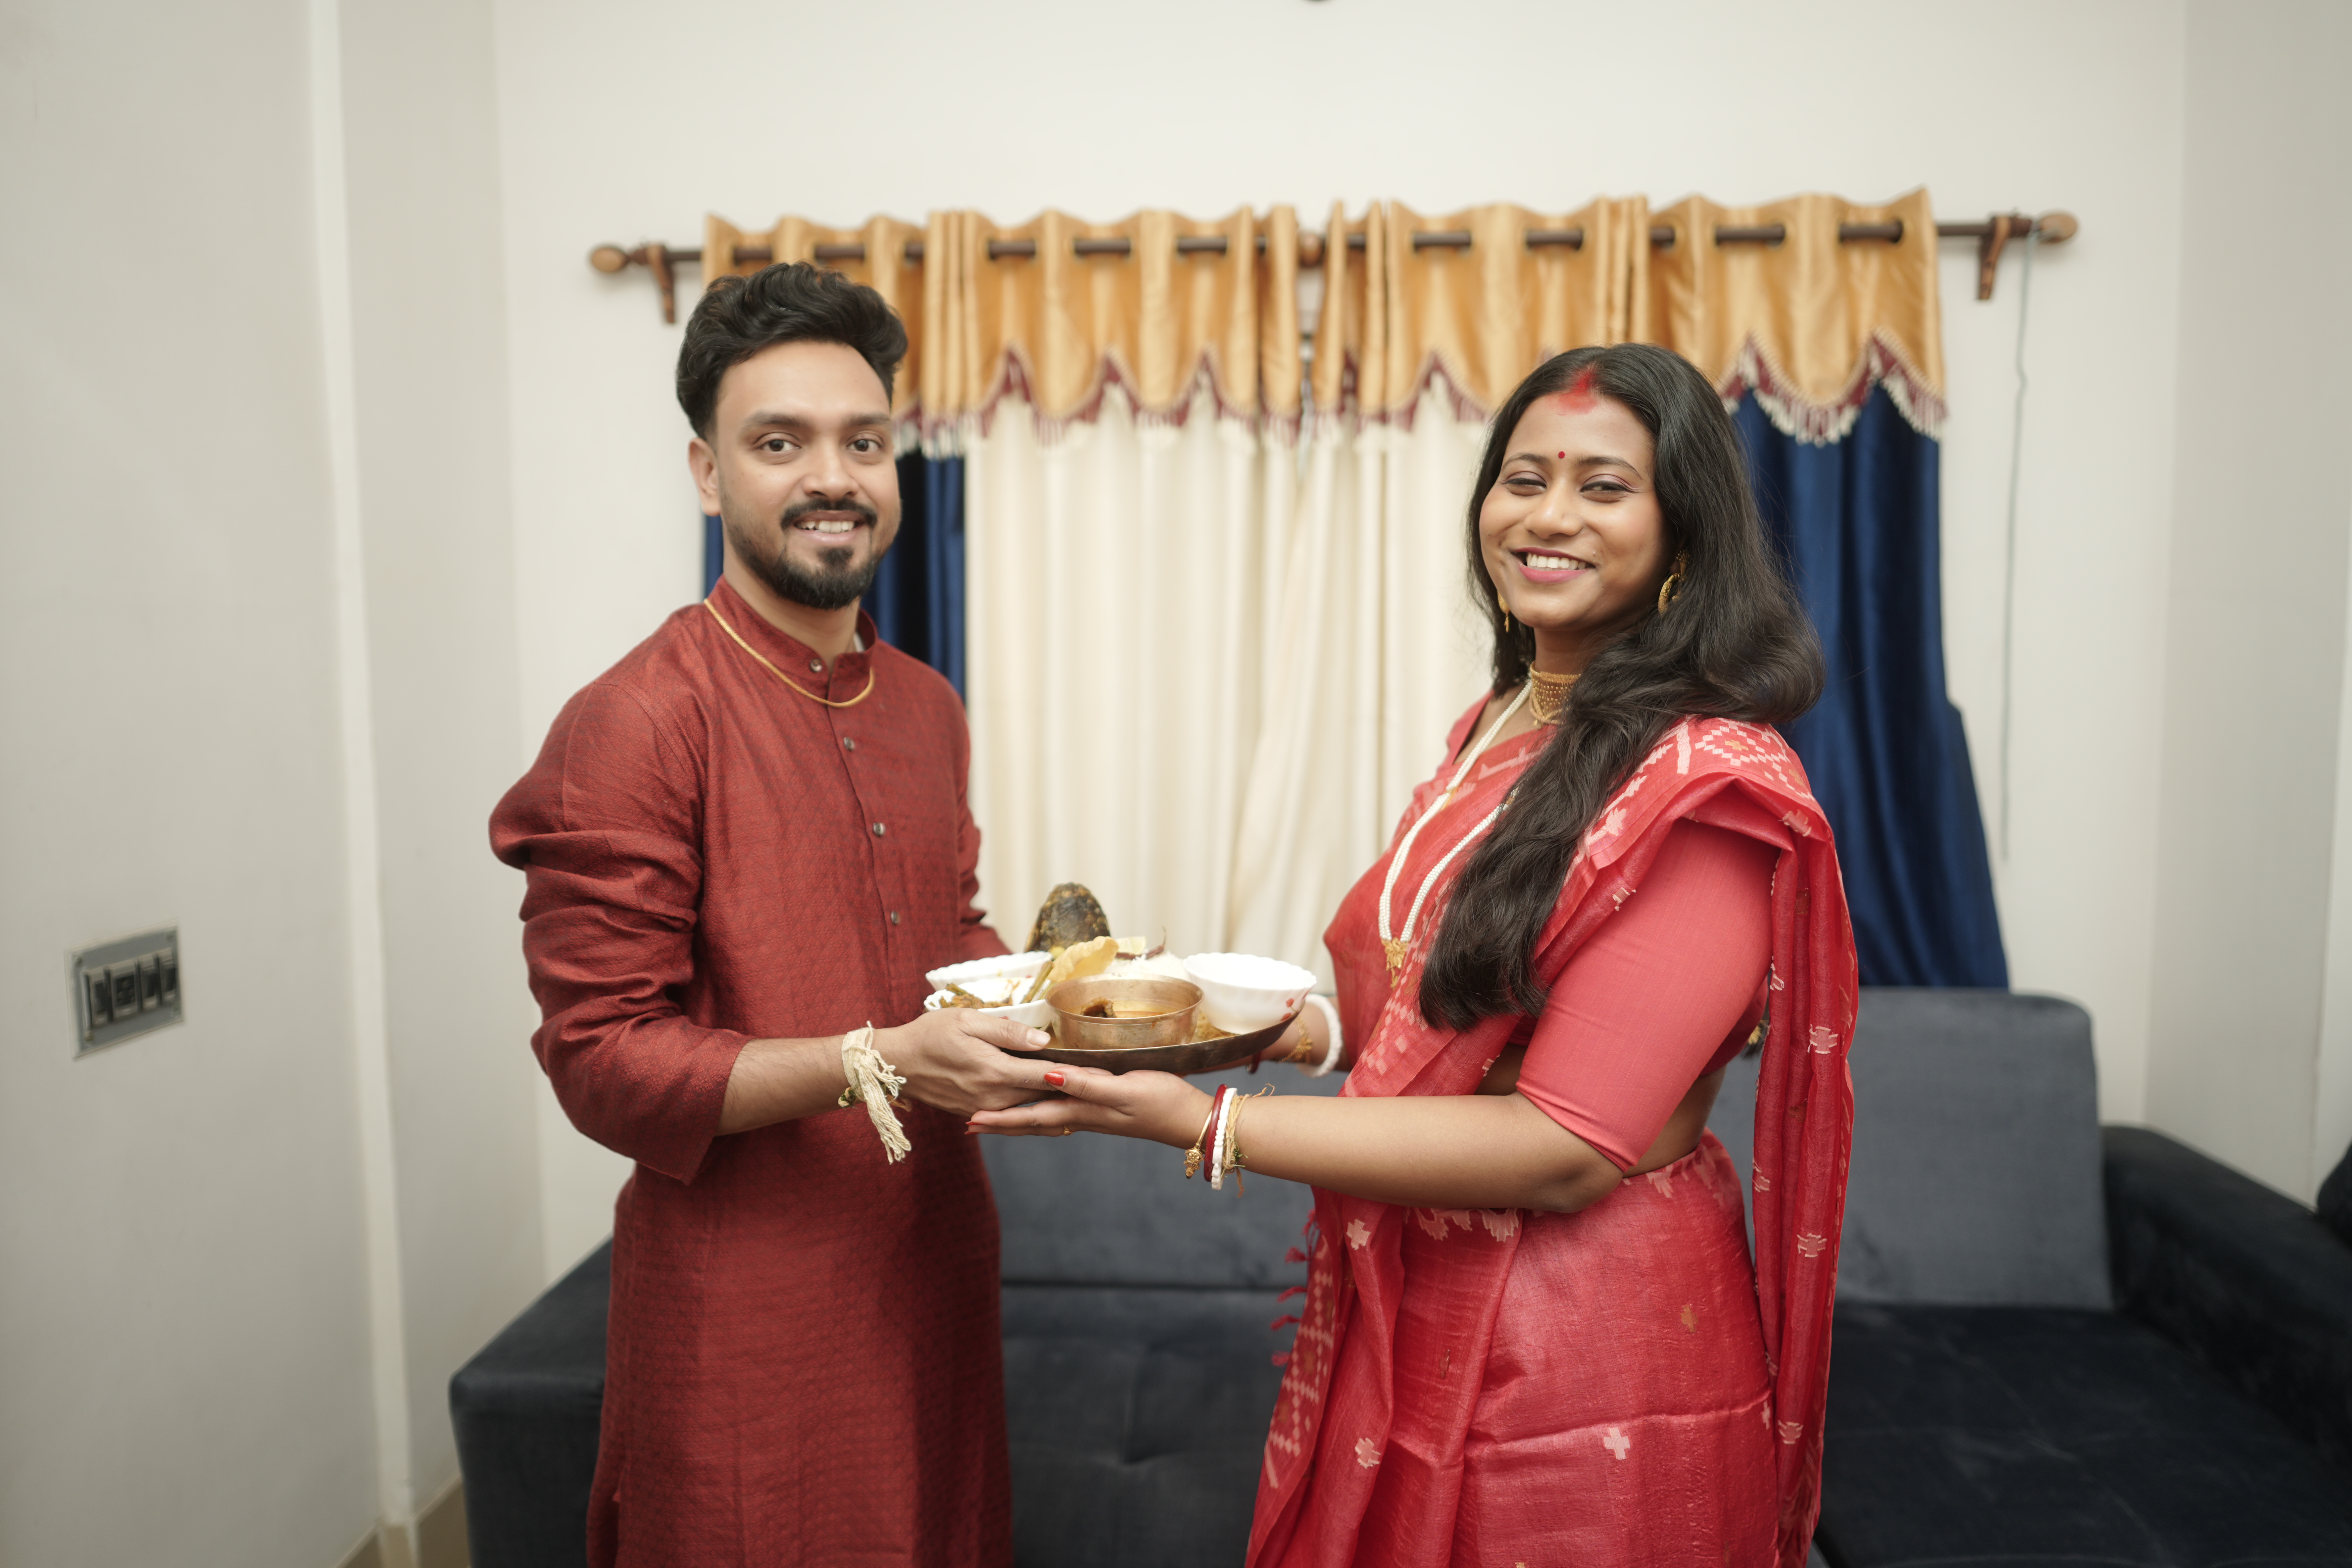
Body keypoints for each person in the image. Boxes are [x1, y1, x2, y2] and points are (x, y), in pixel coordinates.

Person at [972, 343, 1859, 1568]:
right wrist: (1248, 1024)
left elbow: (1564, 1149)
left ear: (1687, 537)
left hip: (1580, 1345)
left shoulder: (1706, 792)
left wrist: (1204, 1122)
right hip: (1421, 1279)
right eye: (1523, 476)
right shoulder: (1501, 723)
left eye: (1604, 487)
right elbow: (1445, 1000)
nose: (1547, 516)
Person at [491, 262, 1062, 1567]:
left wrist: (1060, 991)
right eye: (779, 442)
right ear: (707, 473)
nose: (834, 477)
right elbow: (604, 1062)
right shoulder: (634, 722)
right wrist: (873, 1060)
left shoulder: (925, 705)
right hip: (749, 1307)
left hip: (935, 1273)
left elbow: (939, 938)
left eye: (864, 441)